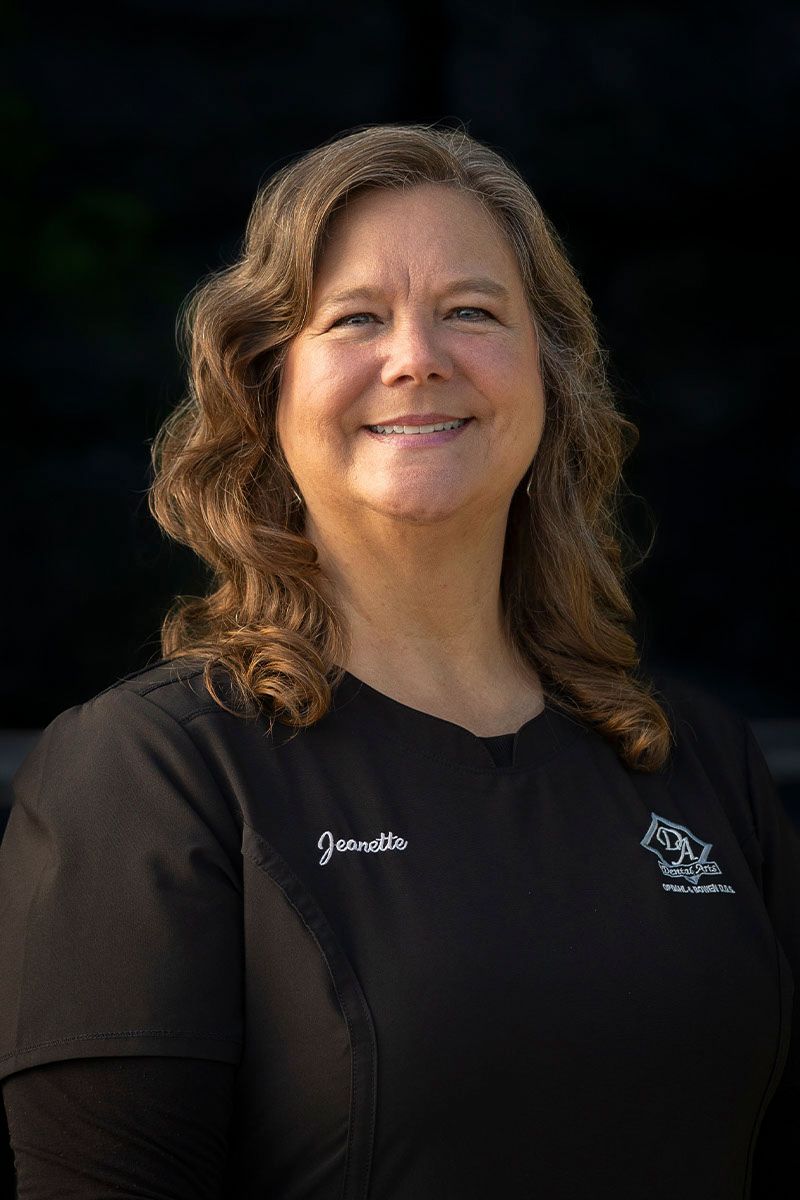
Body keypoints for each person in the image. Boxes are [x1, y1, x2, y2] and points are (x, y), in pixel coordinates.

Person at [0, 121, 796, 1199]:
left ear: (550, 380)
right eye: (354, 319)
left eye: (471, 312)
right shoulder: (149, 771)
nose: (416, 356)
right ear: (263, 391)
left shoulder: (694, 760)